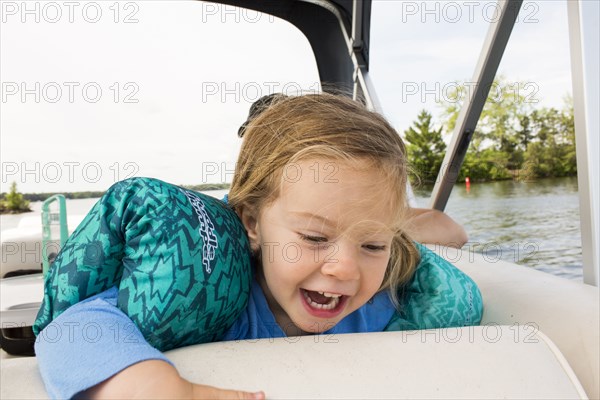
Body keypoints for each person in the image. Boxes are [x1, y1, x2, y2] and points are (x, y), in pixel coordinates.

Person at [35, 93, 479, 399]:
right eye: (314, 238)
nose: (345, 269)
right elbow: (71, 329)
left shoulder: (383, 309)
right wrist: (146, 385)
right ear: (251, 222)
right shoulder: (200, 294)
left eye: (372, 244)